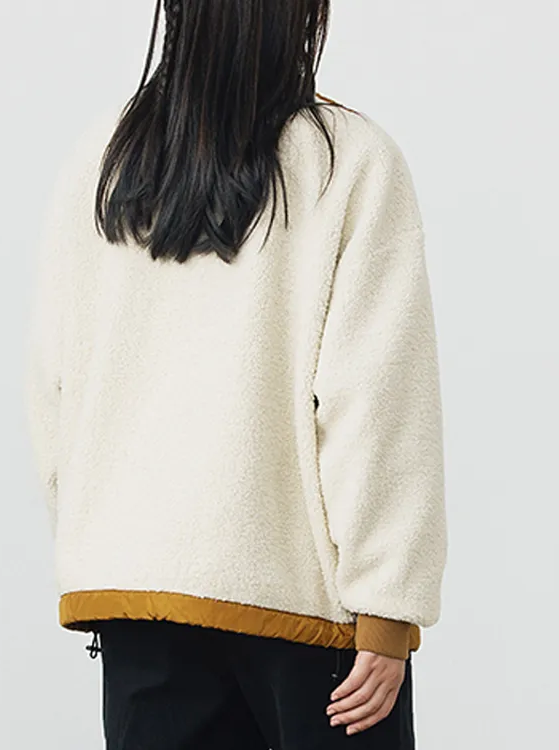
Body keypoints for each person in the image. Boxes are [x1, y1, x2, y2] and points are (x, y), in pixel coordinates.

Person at [24, 0, 448, 747]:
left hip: (137, 598)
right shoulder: (348, 161)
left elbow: (56, 385)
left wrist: (99, 542)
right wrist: (388, 604)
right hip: (305, 613)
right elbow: (376, 402)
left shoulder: (103, 161)